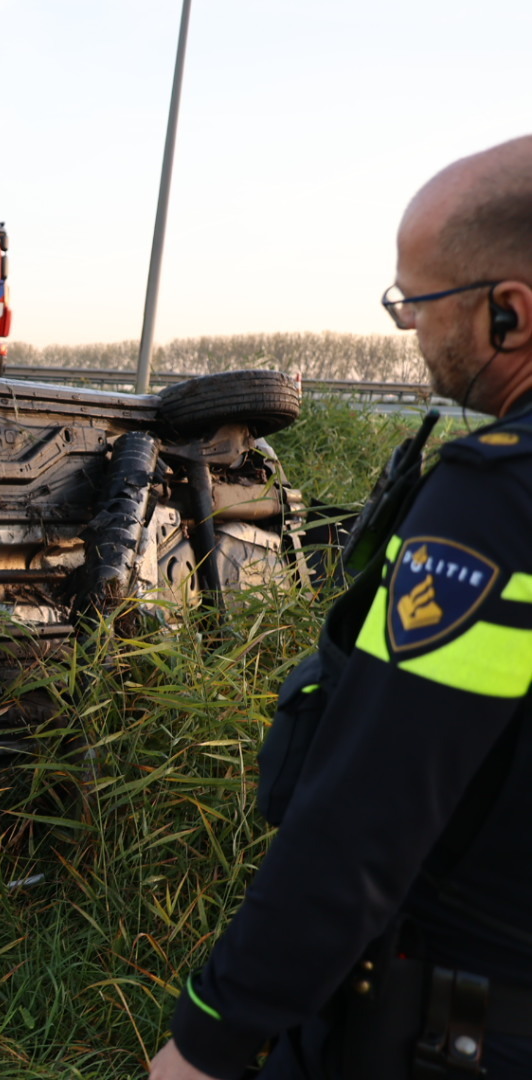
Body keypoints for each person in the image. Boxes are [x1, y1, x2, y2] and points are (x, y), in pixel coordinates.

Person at [151, 134, 532, 1079]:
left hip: (461, 1024)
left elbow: (371, 812)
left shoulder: (494, 503)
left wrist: (211, 1035)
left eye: (419, 301)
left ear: (509, 312)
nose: (410, 327)